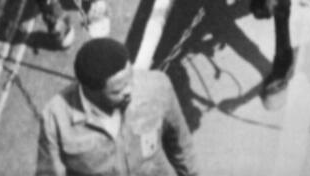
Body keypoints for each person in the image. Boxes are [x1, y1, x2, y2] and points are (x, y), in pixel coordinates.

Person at [36, 34, 199, 176]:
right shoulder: (56, 118)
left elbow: (181, 146)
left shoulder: (157, 86)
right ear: (91, 91)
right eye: (118, 91)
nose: (130, 90)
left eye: (131, 79)